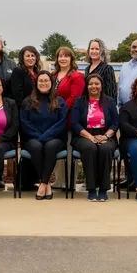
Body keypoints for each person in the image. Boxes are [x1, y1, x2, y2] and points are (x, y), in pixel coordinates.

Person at [20, 71, 68, 200]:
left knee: (50, 146)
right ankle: (46, 184)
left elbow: (61, 123)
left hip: (55, 138)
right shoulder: (28, 101)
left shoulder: (59, 101)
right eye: (40, 81)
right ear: (36, 84)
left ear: (51, 83)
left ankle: (43, 183)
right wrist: (38, 136)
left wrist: (45, 137)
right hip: (32, 139)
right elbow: (25, 122)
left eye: (46, 80)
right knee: (36, 146)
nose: (43, 83)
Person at [71, 74, 119, 202]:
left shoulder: (110, 101)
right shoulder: (79, 101)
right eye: (91, 83)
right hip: (83, 135)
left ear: (102, 86)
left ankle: (103, 190)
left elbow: (115, 123)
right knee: (89, 148)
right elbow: (75, 123)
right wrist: (90, 137)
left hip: (105, 134)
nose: (94, 86)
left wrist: (105, 136)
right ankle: (91, 189)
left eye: (97, 83)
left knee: (105, 149)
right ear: (86, 86)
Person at [9, 45, 42, 191]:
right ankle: (21, 181)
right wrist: (29, 108)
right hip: (24, 114)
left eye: (33, 55)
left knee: (35, 146)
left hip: (39, 116)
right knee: (28, 146)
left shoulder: (37, 73)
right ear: (22, 58)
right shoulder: (18, 72)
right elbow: (18, 95)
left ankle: (30, 181)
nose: (30, 58)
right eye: (27, 56)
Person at [51, 46, 84, 189]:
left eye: (66, 56)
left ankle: (69, 182)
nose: (63, 58)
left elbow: (75, 98)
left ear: (71, 58)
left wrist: (60, 110)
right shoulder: (53, 75)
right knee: (57, 151)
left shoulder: (76, 76)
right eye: (60, 56)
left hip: (69, 118)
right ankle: (59, 180)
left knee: (69, 151)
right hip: (53, 119)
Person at [84, 38, 117, 102]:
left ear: (102, 51)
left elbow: (111, 93)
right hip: (88, 105)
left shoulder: (107, 69)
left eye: (97, 49)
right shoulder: (87, 69)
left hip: (102, 105)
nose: (94, 51)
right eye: (92, 49)